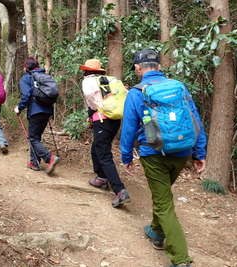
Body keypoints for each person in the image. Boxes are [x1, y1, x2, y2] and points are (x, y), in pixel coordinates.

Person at [120, 49, 207, 267]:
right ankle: (156, 233)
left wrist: (126, 155)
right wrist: (199, 152)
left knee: (163, 202)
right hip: (182, 151)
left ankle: (180, 259)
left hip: (153, 154)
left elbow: (129, 128)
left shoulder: (136, 93)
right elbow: (195, 118)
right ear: (159, 66)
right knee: (163, 196)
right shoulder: (179, 87)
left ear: (138, 69)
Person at [79, 59, 130, 208]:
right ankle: (101, 177)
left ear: (87, 71)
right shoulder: (109, 80)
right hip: (114, 120)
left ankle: (119, 190)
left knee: (103, 154)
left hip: (102, 120)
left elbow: (92, 103)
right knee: (96, 147)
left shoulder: (89, 81)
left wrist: (94, 112)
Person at [14, 57, 59, 174]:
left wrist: (19, 107)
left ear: (27, 67)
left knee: (33, 138)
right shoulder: (44, 77)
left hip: (35, 111)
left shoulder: (26, 78)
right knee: (36, 137)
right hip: (47, 111)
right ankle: (34, 163)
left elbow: (26, 95)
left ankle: (49, 158)